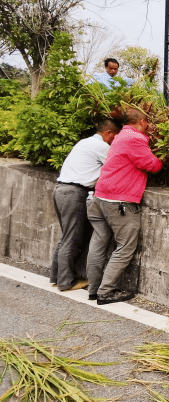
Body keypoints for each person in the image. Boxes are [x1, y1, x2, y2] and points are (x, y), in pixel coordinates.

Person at [86, 108, 162, 305]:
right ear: (143, 122)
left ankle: (94, 289)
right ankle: (106, 292)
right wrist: (161, 161)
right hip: (119, 200)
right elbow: (151, 164)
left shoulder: (120, 136)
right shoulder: (135, 138)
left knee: (98, 242)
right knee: (125, 247)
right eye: (148, 123)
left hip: (100, 196)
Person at [49, 119, 122, 292]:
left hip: (62, 190)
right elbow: (118, 166)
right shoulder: (102, 147)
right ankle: (66, 282)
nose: (116, 142)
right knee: (72, 237)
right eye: (116, 137)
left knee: (67, 236)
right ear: (109, 134)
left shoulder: (85, 142)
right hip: (74, 193)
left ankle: (57, 277)